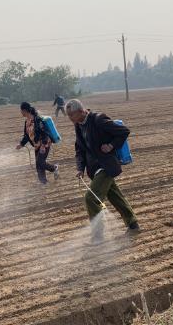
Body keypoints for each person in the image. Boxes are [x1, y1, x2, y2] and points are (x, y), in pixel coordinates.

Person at [65, 98, 139, 243]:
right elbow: (80, 149)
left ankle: (98, 237)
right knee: (114, 196)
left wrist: (111, 145)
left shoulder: (98, 120)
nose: (69, 119)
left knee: (91, 198)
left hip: (106, 166)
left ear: (81, 111)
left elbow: (124, 131)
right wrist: (80, 168)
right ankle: (133, 224)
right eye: (68, 116)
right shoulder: (78, 125)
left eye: (71, 115)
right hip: (94, 169)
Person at [15, 102, 59, 184]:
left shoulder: (37, 120)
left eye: (21, 110)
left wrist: (43, 145)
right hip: (36, 145)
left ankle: (54, 168)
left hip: (44, 143)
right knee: (38, 165)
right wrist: (21, 144)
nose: (20, 112)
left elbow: (45, 133)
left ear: (25, 110)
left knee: (40, 162)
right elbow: (26, 135)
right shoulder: (27, 122)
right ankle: (44, 182)